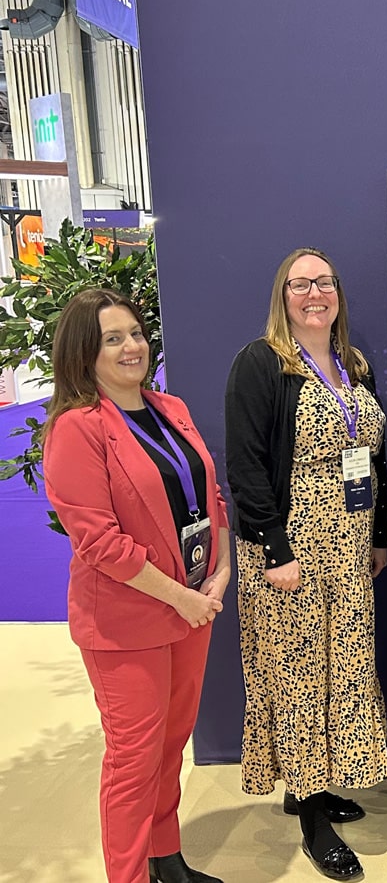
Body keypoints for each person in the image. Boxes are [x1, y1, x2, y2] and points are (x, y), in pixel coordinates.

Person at [43, 289, 229, 883]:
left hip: (192, 609)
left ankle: (165, 859)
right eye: (112, 338)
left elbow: (210, 498)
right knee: (133, 761)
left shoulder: (170, 407)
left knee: (171, 746)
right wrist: (182, 595)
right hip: (129, 622)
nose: (132, 347)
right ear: (83, 354)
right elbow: (98, 542)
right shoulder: (78, 428)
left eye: (135, 333)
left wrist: (220, 573)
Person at [225, 248, 387, 881]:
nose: (314, 293)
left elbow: (370, 461)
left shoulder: (353, 365)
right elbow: (244, 463)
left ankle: (318, 783)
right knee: (298, 679)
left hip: (348, 552)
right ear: (283, 295)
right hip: (290, 550)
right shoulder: (262, 364)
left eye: (325, 282)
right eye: (301, 284)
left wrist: (376, 533)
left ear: (339, 294)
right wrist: (274, 550)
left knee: (340, 673)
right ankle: (311, 814)